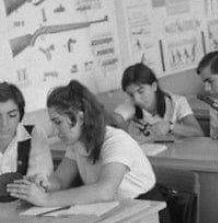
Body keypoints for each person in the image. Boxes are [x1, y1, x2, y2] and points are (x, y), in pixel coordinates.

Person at [7, 80, 156, 206]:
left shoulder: (116, 141)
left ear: (81, 118)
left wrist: (46, 199)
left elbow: (105, 191)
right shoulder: (76, 143)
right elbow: (60, 181)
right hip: (113, 208)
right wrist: (43, 184)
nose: (56, 131)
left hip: (145, 207)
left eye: (58, 122)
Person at [117, 63, 204, 141]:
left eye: (141, 91)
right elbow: (114, 118)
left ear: (154, 86)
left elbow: (198, 133)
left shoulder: (177, 102)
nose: (136, 99)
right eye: (131, 95)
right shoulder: (130, 105)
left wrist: (171, 127)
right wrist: (126, 130)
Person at [0, 82, 52, 180]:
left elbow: (41, 178)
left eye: (12, 115)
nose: (4, 124)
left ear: (21, 114)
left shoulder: (34, 134)